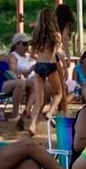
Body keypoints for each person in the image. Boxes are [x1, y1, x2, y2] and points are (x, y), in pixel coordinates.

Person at [25, 8, 64, 136]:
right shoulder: (56, 35)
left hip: (38, 66)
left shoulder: (36, 36)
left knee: (39, 99)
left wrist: (40, 56)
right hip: (50, 65)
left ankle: (32, 125)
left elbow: (31, 55)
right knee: (58, 93)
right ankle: (50, 112)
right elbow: (58, 52)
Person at [8, 32, 36, 126]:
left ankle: (28, 110)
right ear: (17, 45)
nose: (27, 46)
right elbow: (13, 73)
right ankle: (21, 111)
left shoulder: (29, 56)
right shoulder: (13, 56)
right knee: (34, 82)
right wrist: (30, 70)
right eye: (24, 44)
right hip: (22, 79)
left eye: (28, 44)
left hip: (32, 78)